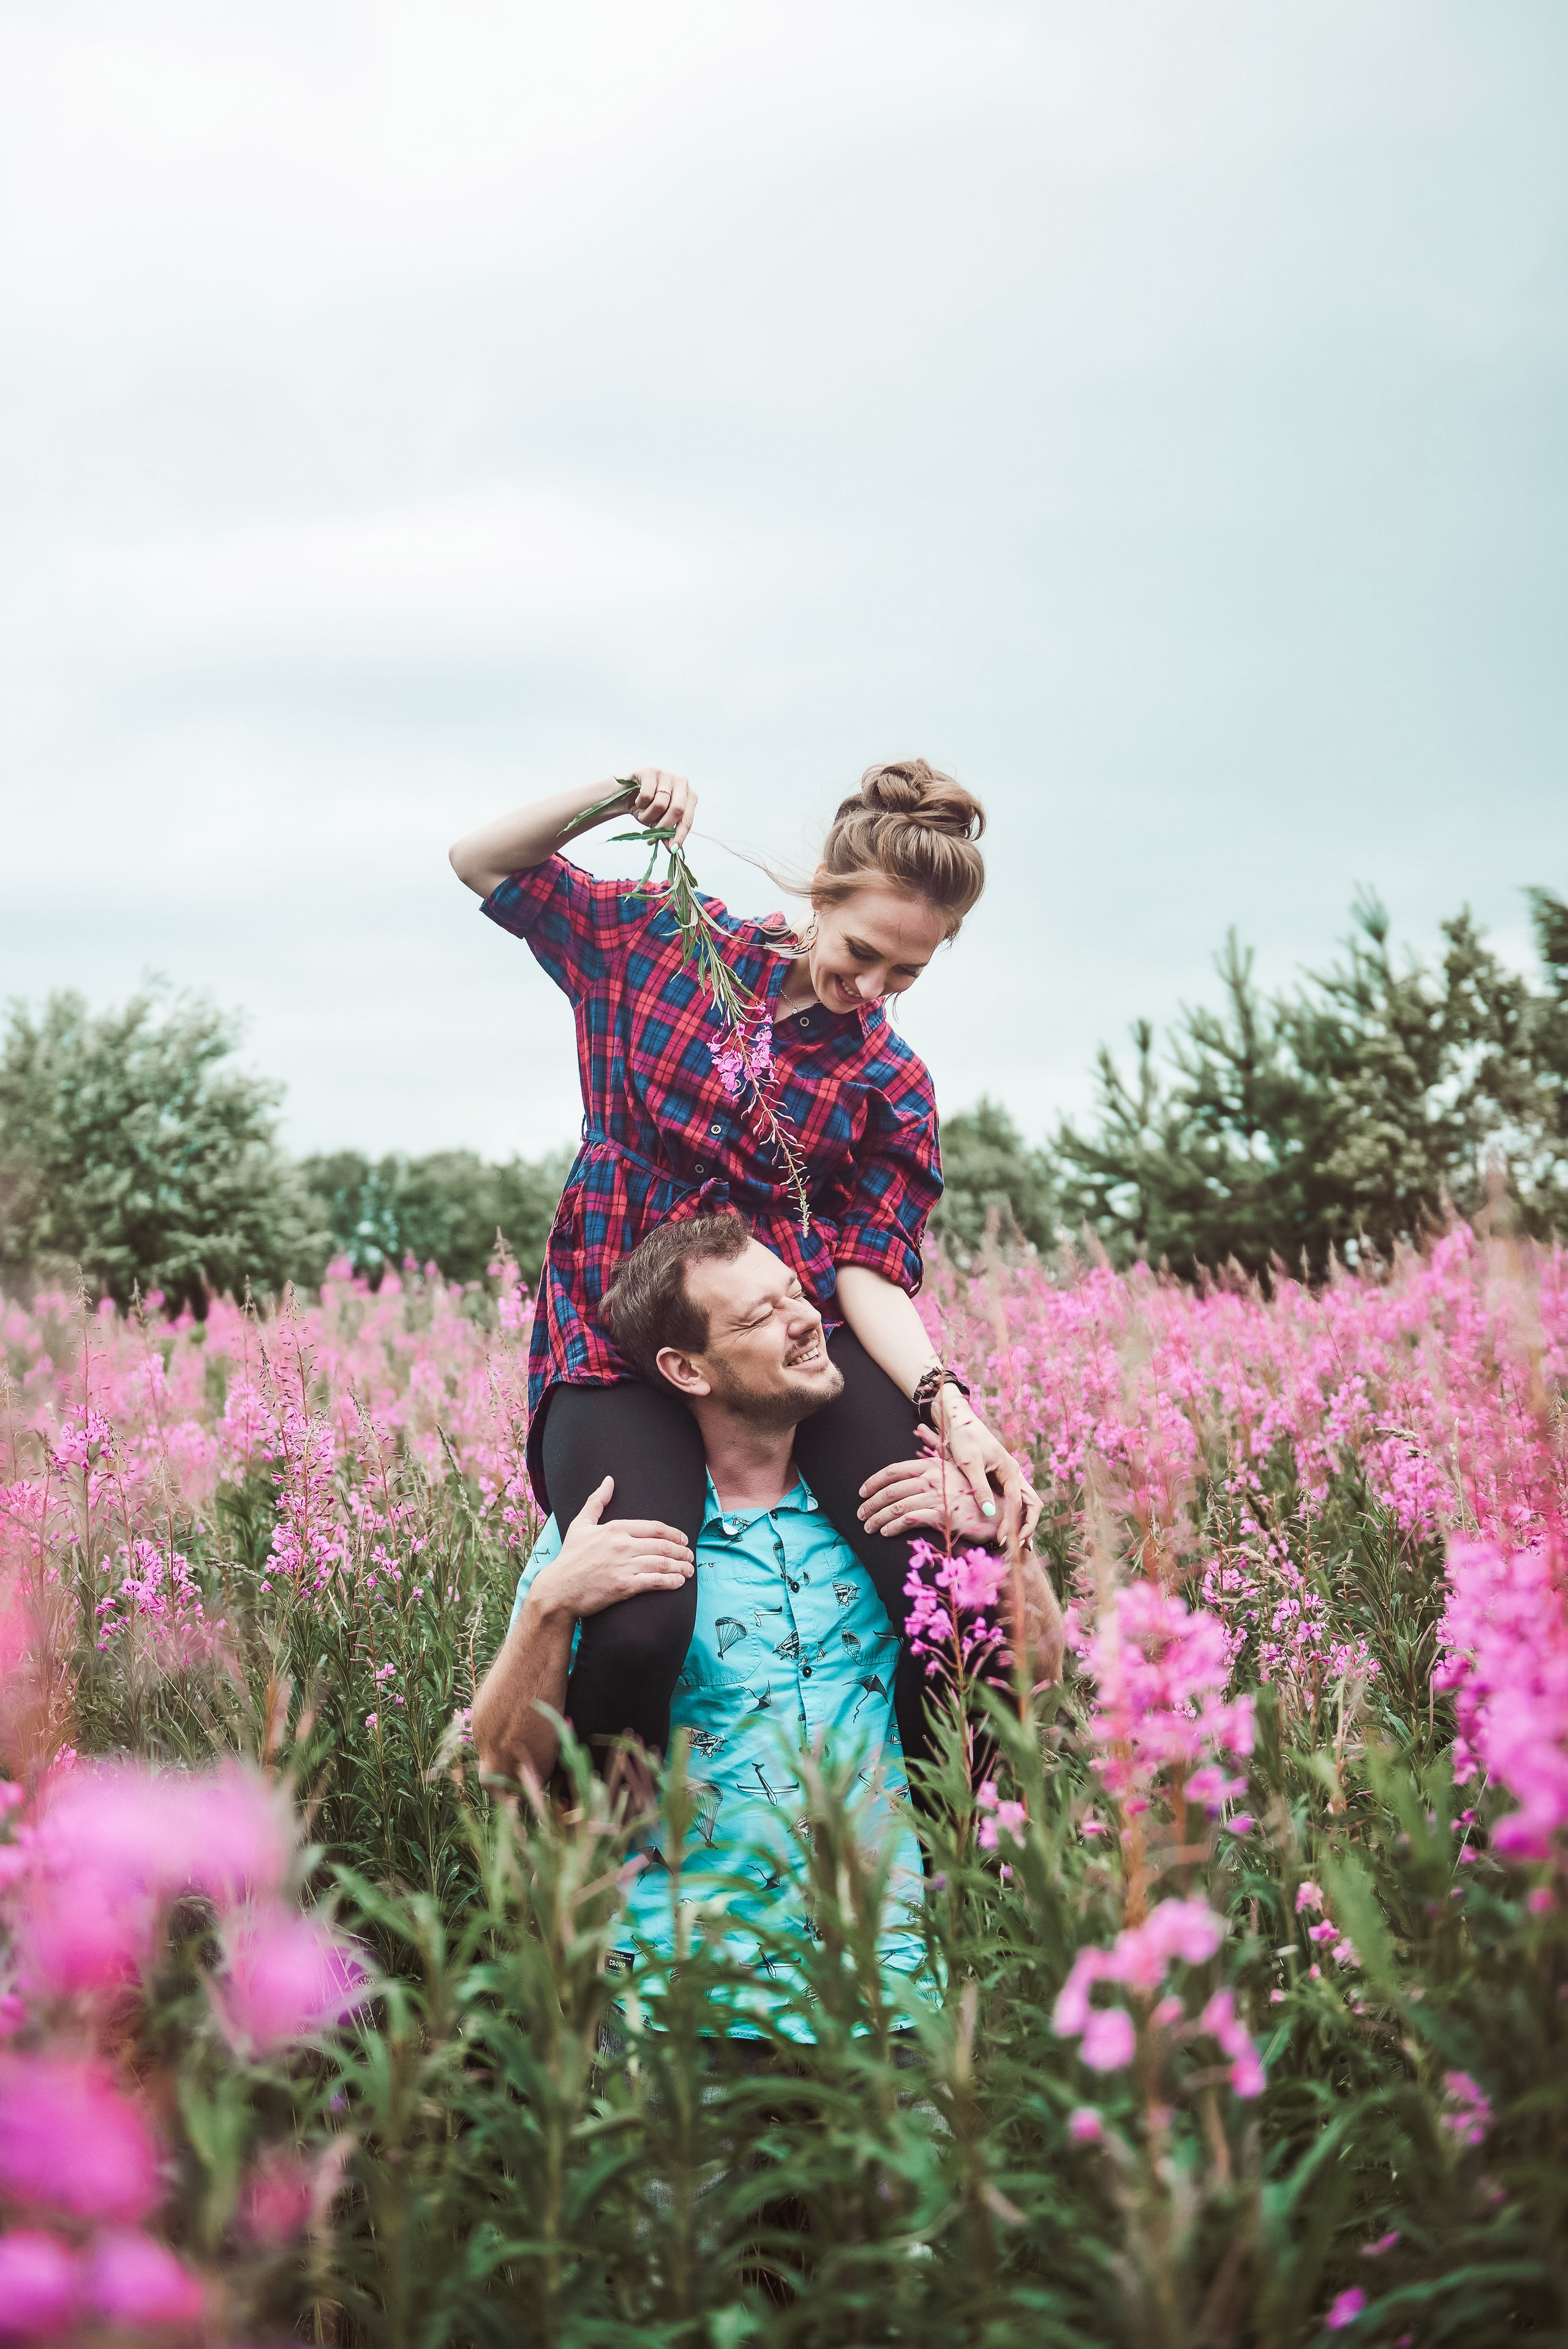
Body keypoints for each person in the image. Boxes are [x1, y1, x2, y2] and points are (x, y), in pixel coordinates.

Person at [449, 756, 1041, 1771]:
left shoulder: (890, 1079)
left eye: (907, 974)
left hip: (789, 1335)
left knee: (960, 1596)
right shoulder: (664, 943)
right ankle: (602, 1894)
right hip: (619, 1330)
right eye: (862, 952)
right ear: (822, 893)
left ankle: (949, 1882)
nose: (872, 991)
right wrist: (612, 799)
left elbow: (868, 1270)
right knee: (639, 1625)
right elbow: (479, 862)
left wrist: (953, 1408)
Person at [470, 1213, 1063, 2034]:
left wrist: (1005, 1545)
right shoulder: (606, 1534)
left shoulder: (894, 1508)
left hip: (889, 1997)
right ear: (687, 1369)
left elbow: (1043, 1673)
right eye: (758, 1316)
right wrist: (548, 1606)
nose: (805, 1321)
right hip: (685, 2012)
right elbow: (505, 1765)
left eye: (797, 1295)